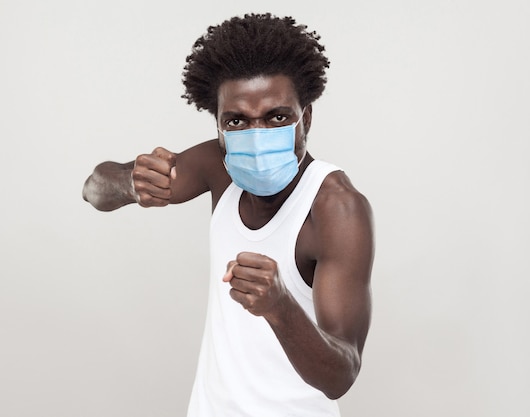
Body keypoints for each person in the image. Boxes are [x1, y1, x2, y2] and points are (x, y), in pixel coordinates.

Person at [82, 13, 374, 417]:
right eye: (237, 121)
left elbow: (342, 373)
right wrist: (131, 183)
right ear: (219, 128)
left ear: (305, 118)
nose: (256, 136)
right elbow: (93, 189)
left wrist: (280, 307)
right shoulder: (217, 166)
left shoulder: (335, 208)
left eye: (277, 117)